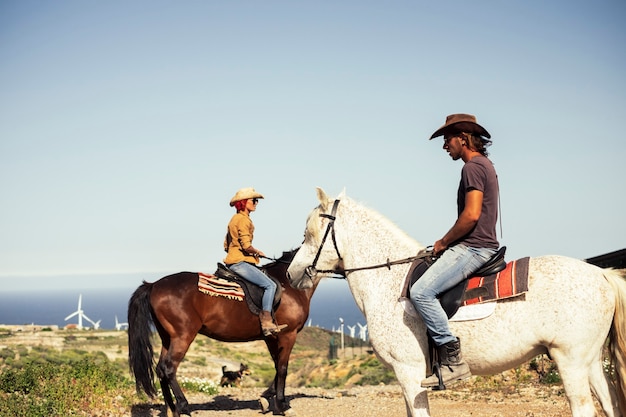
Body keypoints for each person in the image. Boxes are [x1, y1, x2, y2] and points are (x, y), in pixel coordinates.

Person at [410, 114, 499, 388]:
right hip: (479, 245)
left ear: (463, 138)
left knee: (420, 292)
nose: (444, 145)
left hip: (475, 248)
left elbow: (471, 216)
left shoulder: (472, 168)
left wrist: (444, 241)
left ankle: (452, 362)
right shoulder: (486, 165)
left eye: (447, 139)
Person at [224, 187, 288, 337]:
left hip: (233, 260)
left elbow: (226, 245)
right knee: (270, 285)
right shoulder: (244, 220)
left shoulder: (234, 219)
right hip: (239, 262)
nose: (256, 203)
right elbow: (246, 245)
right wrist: (256, 252)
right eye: (254, 200)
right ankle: (266, 321)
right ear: (244, 202)